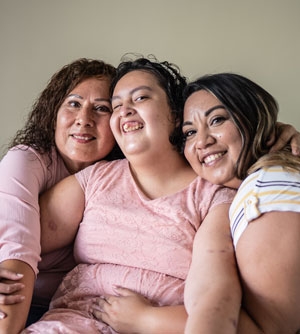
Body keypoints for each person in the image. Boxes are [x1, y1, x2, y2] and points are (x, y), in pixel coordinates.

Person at [21, 57, 237, 333]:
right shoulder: (96, 179)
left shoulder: (212, 197)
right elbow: (17, 236)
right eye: (116, 106)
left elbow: (216, 301)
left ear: (175, 112)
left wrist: (146, 320)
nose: (125, 111)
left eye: (140, 98)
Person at [0, 58, 123, 334]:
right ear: (53, 112)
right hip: (24, 304)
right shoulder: (26, 161)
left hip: (79, 312)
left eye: (101, 108)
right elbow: (15, 253)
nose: (84, 119)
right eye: (74, 103)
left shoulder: (121, 175)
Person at [182, 73, 300, 333]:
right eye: (190, 132)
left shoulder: (267, 189)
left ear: (253, 120)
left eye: (217, 120)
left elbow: (272, 328)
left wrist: (145, 318)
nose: (202, 141)